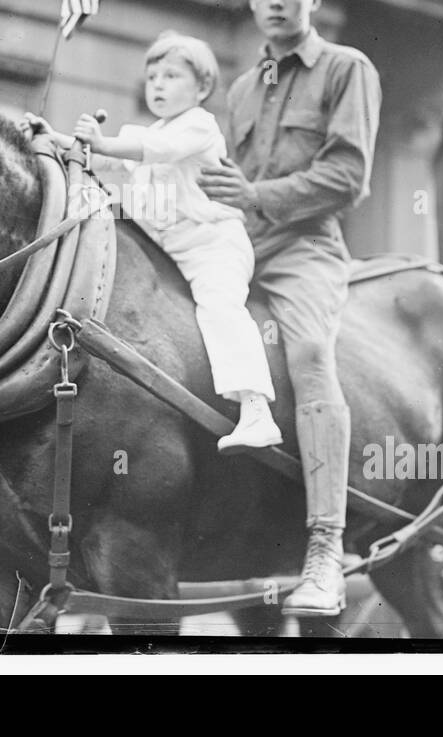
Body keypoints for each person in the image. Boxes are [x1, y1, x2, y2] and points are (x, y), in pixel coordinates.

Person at [198, 0, 381, 616]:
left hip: (306, 245)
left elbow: (348, 175)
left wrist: (257, 197)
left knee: (306, 352)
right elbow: (225, 179)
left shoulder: (346, 68)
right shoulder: (242, 88)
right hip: (240, 244)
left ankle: (326, 548)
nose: (277, 1)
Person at [23, 32, 279, 450]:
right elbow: (101, 157)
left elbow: (154, 149)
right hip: (167, 250)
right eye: (152, 76)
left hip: (211, 245)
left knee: (221, 307)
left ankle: (256, 410)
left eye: (172, 75)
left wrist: (104, 141)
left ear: (202, 88)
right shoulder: (143, 133)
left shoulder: (198, 126)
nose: (157, 84)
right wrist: (54, 137)